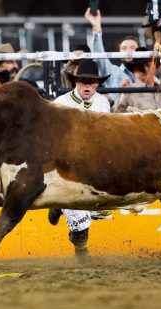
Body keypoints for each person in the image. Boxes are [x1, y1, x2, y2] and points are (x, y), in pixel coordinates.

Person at [50, 60, 111, 261]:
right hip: (65, 167)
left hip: (92, 165)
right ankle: (82, 251)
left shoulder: (103, 103)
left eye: (91, 82)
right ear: (75, 82)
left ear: (97, 84)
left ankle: (58, 206)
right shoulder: (60, 103)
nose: (86, 85)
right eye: (82, 81)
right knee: (81, 219)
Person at [84, 8, 140, 103]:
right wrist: (97, 28)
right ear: (119, 53)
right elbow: (100, 56)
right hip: (119, 115)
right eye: (124, 48)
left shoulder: (149, 73)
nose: (129, 51)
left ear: (140, 51)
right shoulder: (113, 71)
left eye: (133, 47)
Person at [112, 47, 161, 113]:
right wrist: (124, 96)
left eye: (148, 65)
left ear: (154, 67)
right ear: (134, 71)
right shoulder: (129, 91)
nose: (145, 70)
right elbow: (116, 114)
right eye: (140, 67)